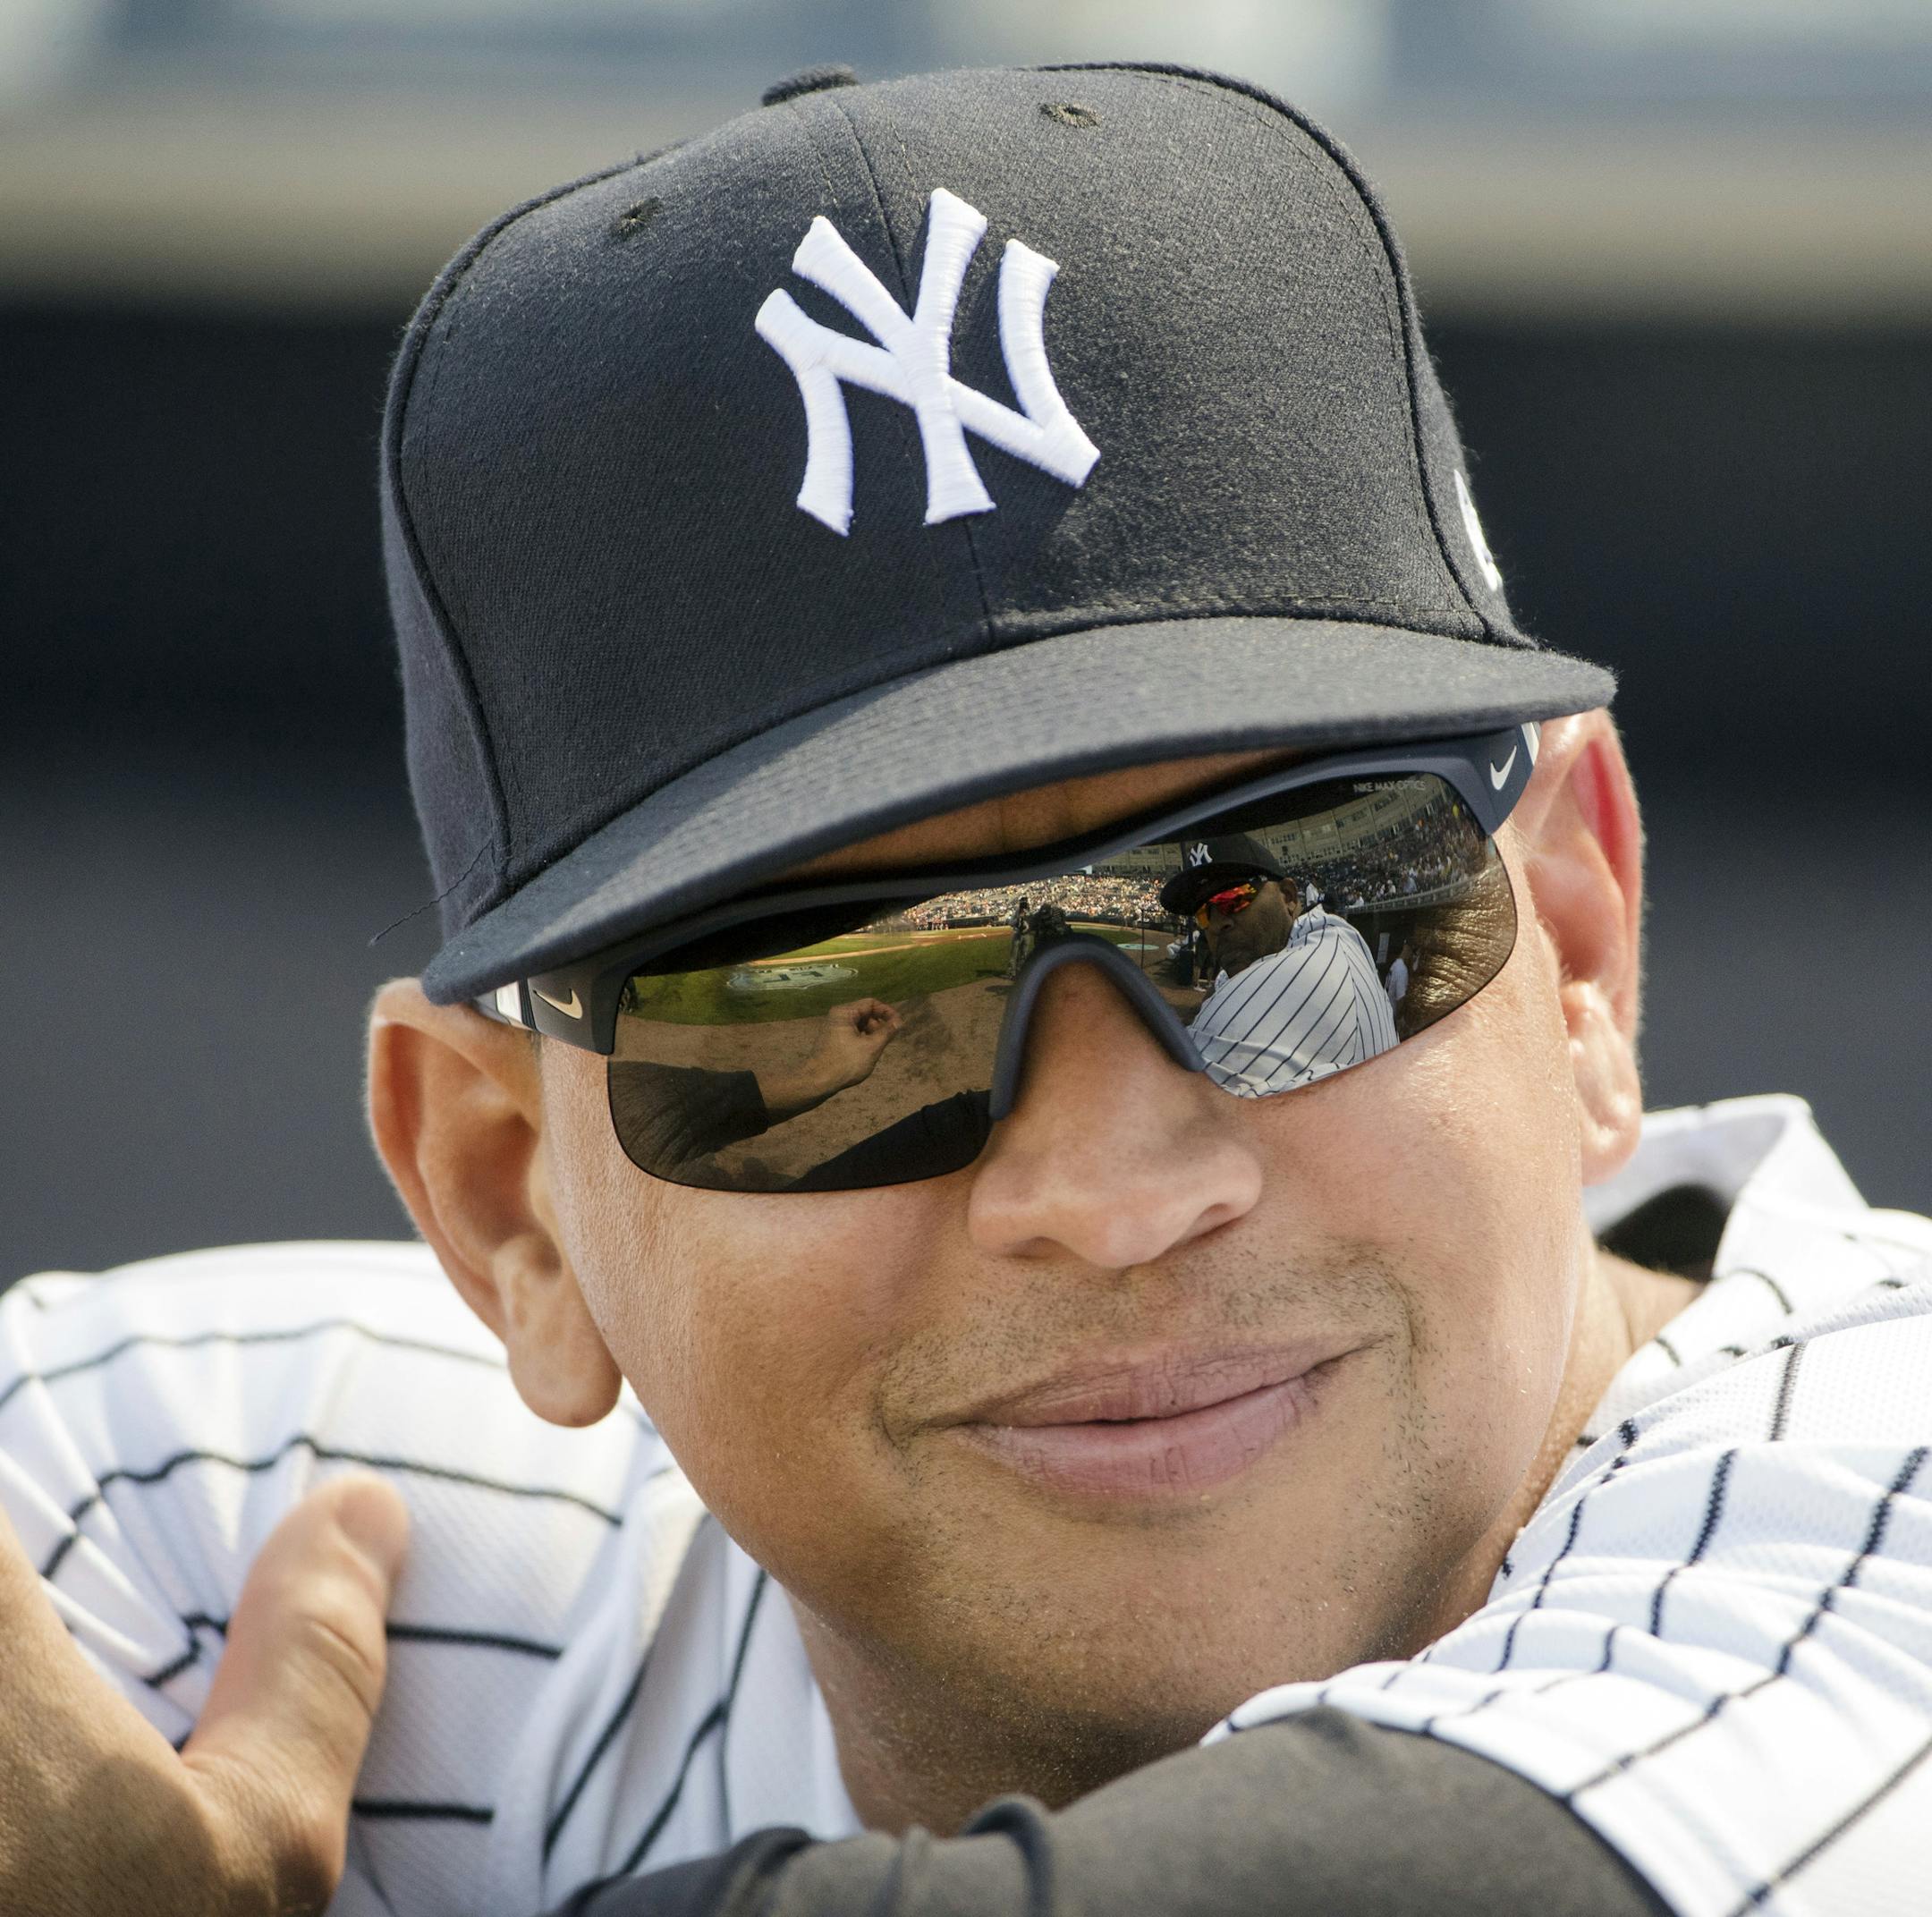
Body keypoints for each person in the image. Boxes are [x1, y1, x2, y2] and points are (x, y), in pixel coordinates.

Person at [4, 60, 1930, 1917]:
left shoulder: (1883, 1487)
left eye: (1279, 918)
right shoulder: (202, 1513)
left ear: (1579, 945)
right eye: (839, 1019)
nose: (1111, 1193)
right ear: (510, 1204)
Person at [1158, 836, 1400, 1094]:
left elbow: (1168, 1093)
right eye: (1204, 915)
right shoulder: (1328, 935)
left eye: (1235, 899)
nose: (1217, 924)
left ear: (1288, 897)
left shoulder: (1310, 968)